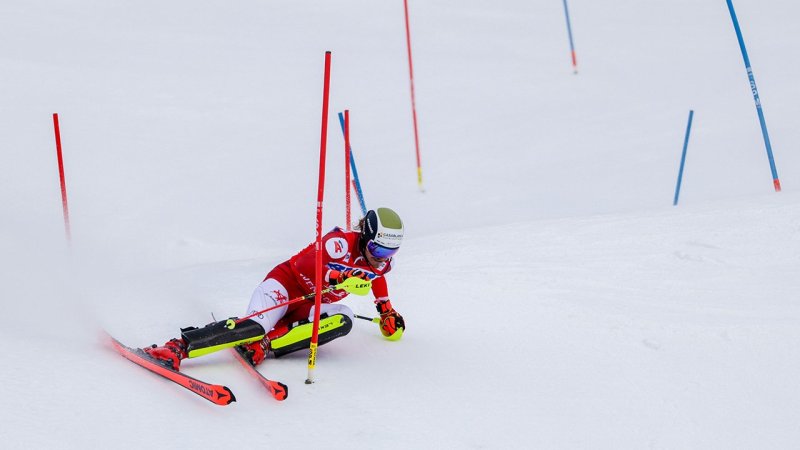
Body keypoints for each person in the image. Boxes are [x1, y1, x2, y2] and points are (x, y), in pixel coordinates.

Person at [143, 207, 406, 371]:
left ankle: (265, 345)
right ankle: (178, 347)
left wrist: (386, 310)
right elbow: (307, 262)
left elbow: (378, 276)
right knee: (255, 325)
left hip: (309, 305)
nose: (381, 258)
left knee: (344, 318)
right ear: (365, 238)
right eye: (377, 249)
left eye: (389, 252)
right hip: (286, 286)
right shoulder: (339, 243)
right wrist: (337, 276)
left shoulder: (380, 262)